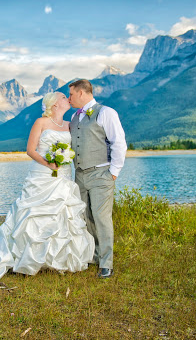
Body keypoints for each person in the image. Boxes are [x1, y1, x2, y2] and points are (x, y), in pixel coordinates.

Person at [0, 91, 95, 282]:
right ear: (54, 104)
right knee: (35, 214)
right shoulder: (41, 122)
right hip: (43, 174)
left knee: (63, 214)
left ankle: (59, 260)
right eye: (64, 97)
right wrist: (49, 163)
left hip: (63, 175)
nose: (67, 99)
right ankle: (29, 258)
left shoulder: (70, 125)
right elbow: (30, 150)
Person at [68, 79, 127, 279]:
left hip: (101, 174)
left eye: (72, 95)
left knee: (102, 218)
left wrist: (113, 172)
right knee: (86, 217)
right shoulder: (75, 117)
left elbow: (119, 143)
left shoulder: (106, 113)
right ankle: (94, 255)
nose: (69, 99)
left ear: (82, 93)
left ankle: (106, 263)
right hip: (80, 175)